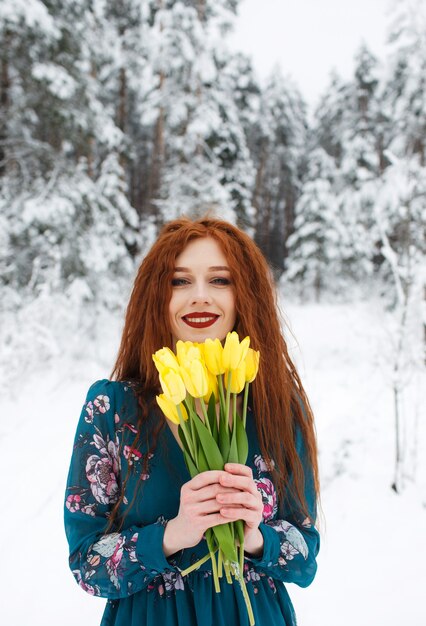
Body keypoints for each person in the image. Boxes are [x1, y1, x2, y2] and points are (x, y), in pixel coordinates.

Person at [64, 216, 320, 626]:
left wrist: (254, 535)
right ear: (155, 296)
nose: (200, 297)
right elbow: (86, 563)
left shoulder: (278, 408)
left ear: (245, 295)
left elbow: (305, 559)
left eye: (220, 280)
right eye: (179, 281)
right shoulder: (112, 408)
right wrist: (172, 535)